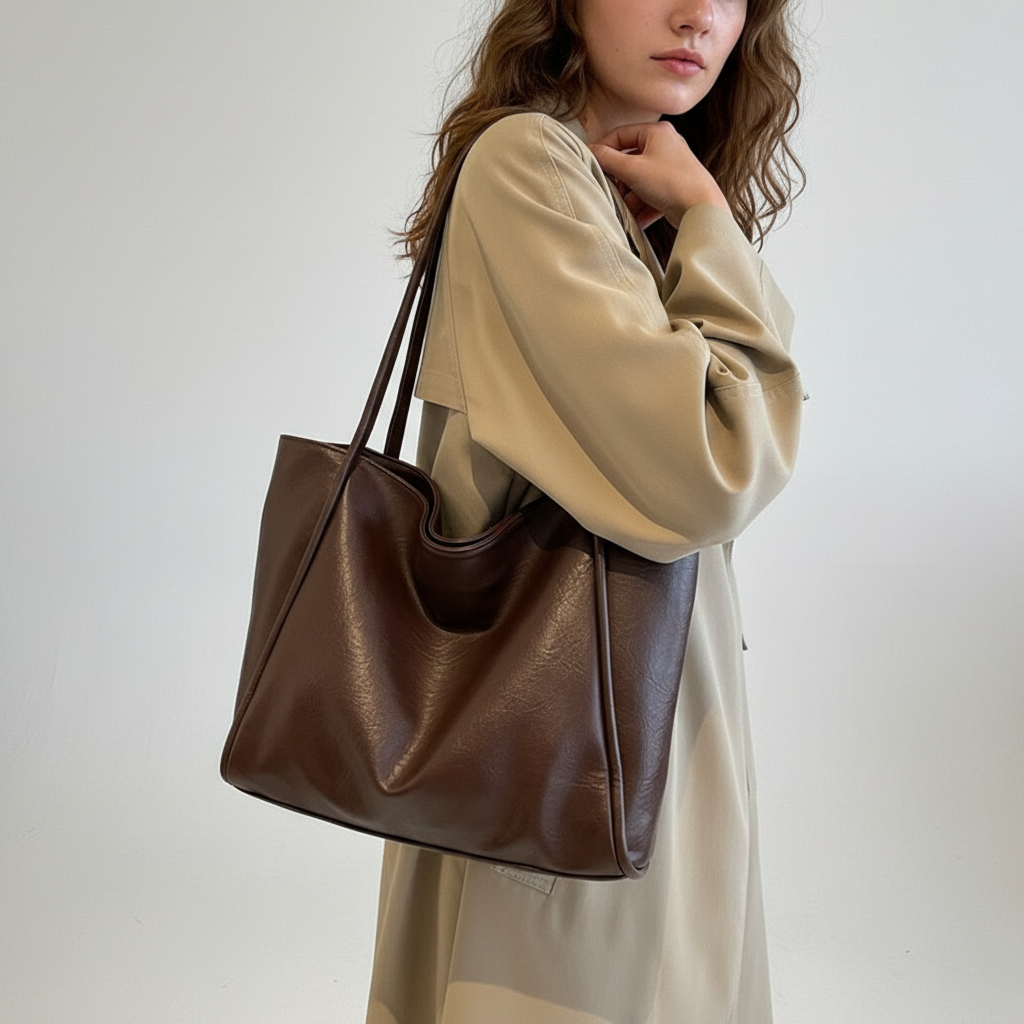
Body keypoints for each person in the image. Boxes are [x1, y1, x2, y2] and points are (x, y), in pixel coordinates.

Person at [366, 0, 805, 1020]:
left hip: (613, 729)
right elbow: (715, 459)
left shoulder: (591, 194)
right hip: (573, 743)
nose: (698, 15)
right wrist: (708, 219)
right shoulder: (529, 163)